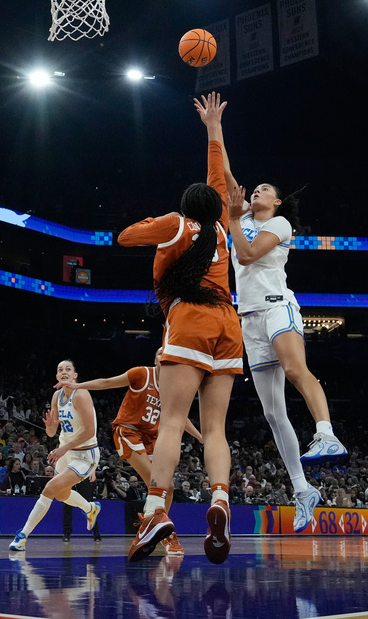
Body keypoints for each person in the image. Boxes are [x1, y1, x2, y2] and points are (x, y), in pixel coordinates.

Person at [116, 92, 243, 564]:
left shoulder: (178, 224)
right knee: (215, 430)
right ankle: (220, 499)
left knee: (171, 421)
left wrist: (157, 224)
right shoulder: (223, 228)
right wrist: (214, 128)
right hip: (229, 325)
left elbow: (125, 236)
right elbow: (217, 176)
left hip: (189, 317)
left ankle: (155, 510)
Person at [223, 121, 346, 534]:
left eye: (263, 189)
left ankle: (326, 433)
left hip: (279, 308)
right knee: (273, 414)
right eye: (252, 188)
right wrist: (214, 127)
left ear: (276, 202)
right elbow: (224, 174)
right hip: (250, 319)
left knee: (296, 371)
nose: (255, 191)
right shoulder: (241, 215)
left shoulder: (278, 226)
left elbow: (247, 255)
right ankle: (301, 489)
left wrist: (236, 220)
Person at [60, 348, 202, 555]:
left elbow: (181, 417)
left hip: (153, 438)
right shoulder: (142, 374)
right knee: (156, 481)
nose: (164, 356)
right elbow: (108, 382)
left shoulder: (173, 387)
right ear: (155, 359)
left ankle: (155, 529)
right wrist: (77, 386)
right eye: (160, 353)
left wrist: (200, 436)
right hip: (128, 430)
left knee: (169, 487)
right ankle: (162, 532)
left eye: (168, 354)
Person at [8, 359, 101, 551]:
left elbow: (90, 431)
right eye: (60, 370)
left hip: (84, 454)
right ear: (57, 376)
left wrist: (64, 449)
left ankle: (22, 535)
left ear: (75, 375)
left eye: (68, 369)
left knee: (50, 488)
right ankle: (90, 508)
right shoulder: (57, 396)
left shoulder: (81, 394)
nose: (64, 372)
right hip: (66, 451)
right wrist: (50, 427)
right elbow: (51, 433)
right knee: (61, 494)